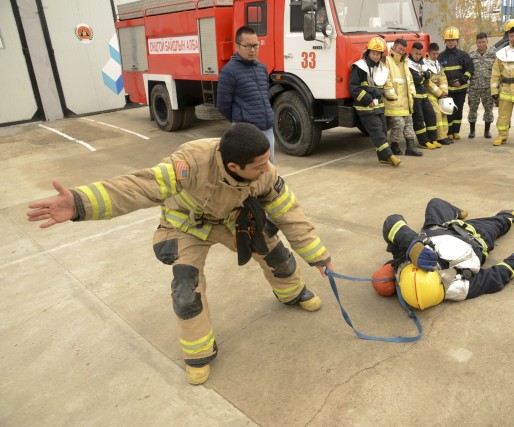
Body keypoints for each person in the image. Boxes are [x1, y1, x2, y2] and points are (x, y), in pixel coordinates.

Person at [26, 123, 334, 385]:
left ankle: (292, 293)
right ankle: (199, 351)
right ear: (233, 167)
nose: (267, 167)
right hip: (186, 225)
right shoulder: (190, 161)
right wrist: (80, 203)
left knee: (277, 254)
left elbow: (288, 212)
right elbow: (139, 187)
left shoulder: (265, 173)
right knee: (186, 288)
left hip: (232, 220)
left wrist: (317, 255)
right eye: (259, 164)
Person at [375, 198, 514, 310]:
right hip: (477, 236)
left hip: (438, 228)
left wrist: (411, 244)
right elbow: (490, 279)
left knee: (435, 203)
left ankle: (456, 212)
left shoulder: (408, 256)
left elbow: (392, 221)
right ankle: (510, 215)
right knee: (499, 223)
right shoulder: (456, 287)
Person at [217, 26, 276, 163]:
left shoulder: (262, 68)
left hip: (268, 129)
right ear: (237, 46)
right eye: (248, 46)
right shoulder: (229, 71)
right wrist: (240, 120)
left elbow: (264, 95)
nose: (253, 50)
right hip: (247, 133)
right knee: (252, 170)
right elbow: (222, 105)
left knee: (269, 169)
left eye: (256, 45)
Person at [349, 36, 401, 166]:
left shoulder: (381, 68)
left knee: (383, 130)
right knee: (378, 133)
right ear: (368, 52)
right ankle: (390, 156)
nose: (376, 56)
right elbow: (354, 88)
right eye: (374, 53)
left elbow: (382, 87)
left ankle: (382, 158)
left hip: (379, 106)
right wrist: (367, 100)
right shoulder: (360, 67)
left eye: (378, 54)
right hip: (365, 107)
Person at [384, 38, 423, 157]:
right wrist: (392, 95)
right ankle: (394, 145)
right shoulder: (387, 60)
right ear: (394, 46)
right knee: (398, 124)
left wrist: (412, 93)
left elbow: (409, 79)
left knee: (409, 123)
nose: (401, 51)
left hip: (406, 100)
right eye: (400, 49)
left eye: (403, 49)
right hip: (394, 100)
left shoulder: (404, 61)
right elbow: (386, 80)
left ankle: (410, 148)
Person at [438, 27, 474, 140]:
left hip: (460, 89)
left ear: (457, 41)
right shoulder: (441, 56)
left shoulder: (463, 55)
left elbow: (470, 69)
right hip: (447, 90)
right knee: (448, 111)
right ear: (445, 41)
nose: (450, 42)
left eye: (453, 40)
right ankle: (449, 132)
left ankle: (456, 132)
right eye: (448, 40)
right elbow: (439, 73)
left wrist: (462, 80)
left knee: (458, 110)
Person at [407, 42, 441, 150]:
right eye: (416, 53)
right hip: (415, 95)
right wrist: (423, 76)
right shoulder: (407, 63)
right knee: (419, 119)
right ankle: (423, 141)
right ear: (411, 51)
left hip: (424, 94)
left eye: (420, 53)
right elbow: (416, 79)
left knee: (431, 115)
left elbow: (429, 74)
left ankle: (433, 139)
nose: (418, 56)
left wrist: (423, 75)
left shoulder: (423, 62)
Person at [467, 32, 496, 139]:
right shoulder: (471, 56)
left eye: (483, 42)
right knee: (472, 109)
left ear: (487, 42)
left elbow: (497, 71)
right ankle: (472, 131)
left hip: (488, 88)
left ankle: (487, 131)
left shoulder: (493, 55)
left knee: (488, 110)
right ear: (476, 43)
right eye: (479, 42)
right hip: (474, 87)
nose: (481, 44)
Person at [424, 43, 453, 145]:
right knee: (437, 114)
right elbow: (428, 82)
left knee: (444, 112)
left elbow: (443, 78)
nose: (436, 56)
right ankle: (439, 137)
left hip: (440, 93)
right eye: (433, 54)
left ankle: (444, 135)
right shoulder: (424, 64)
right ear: (428, 52)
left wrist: (444, 92)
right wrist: (439, 92)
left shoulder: (437, 64)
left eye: (437, 53)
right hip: (430, 94)